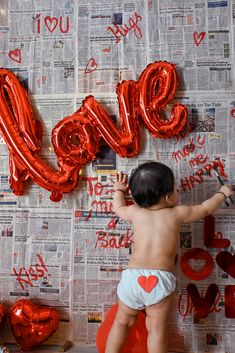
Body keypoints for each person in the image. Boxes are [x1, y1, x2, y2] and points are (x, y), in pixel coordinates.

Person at [105, 161, 233, 353]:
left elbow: (118, 207)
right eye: (175, 189)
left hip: (131, 278)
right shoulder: (176, 213)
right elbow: (206, 209)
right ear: (167, 198)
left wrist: (118, 190)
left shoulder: (134, 212)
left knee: (122, 322)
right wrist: (223, 192)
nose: (177, 192)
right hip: (158, 280)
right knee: (156, 330)